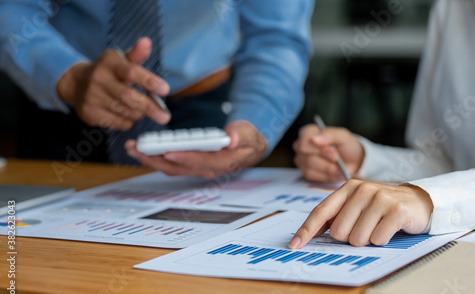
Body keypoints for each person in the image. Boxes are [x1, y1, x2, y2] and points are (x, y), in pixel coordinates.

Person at [0, 0, 313, 178]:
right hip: (63, 101)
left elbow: (276, 37)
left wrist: (256, 121)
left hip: (204, 116)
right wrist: (66, 76)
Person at [289, 0, 475, 249]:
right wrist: (368, 161)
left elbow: (445, 190)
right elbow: (446, 159)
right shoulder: (452, 6)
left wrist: (431, 200)